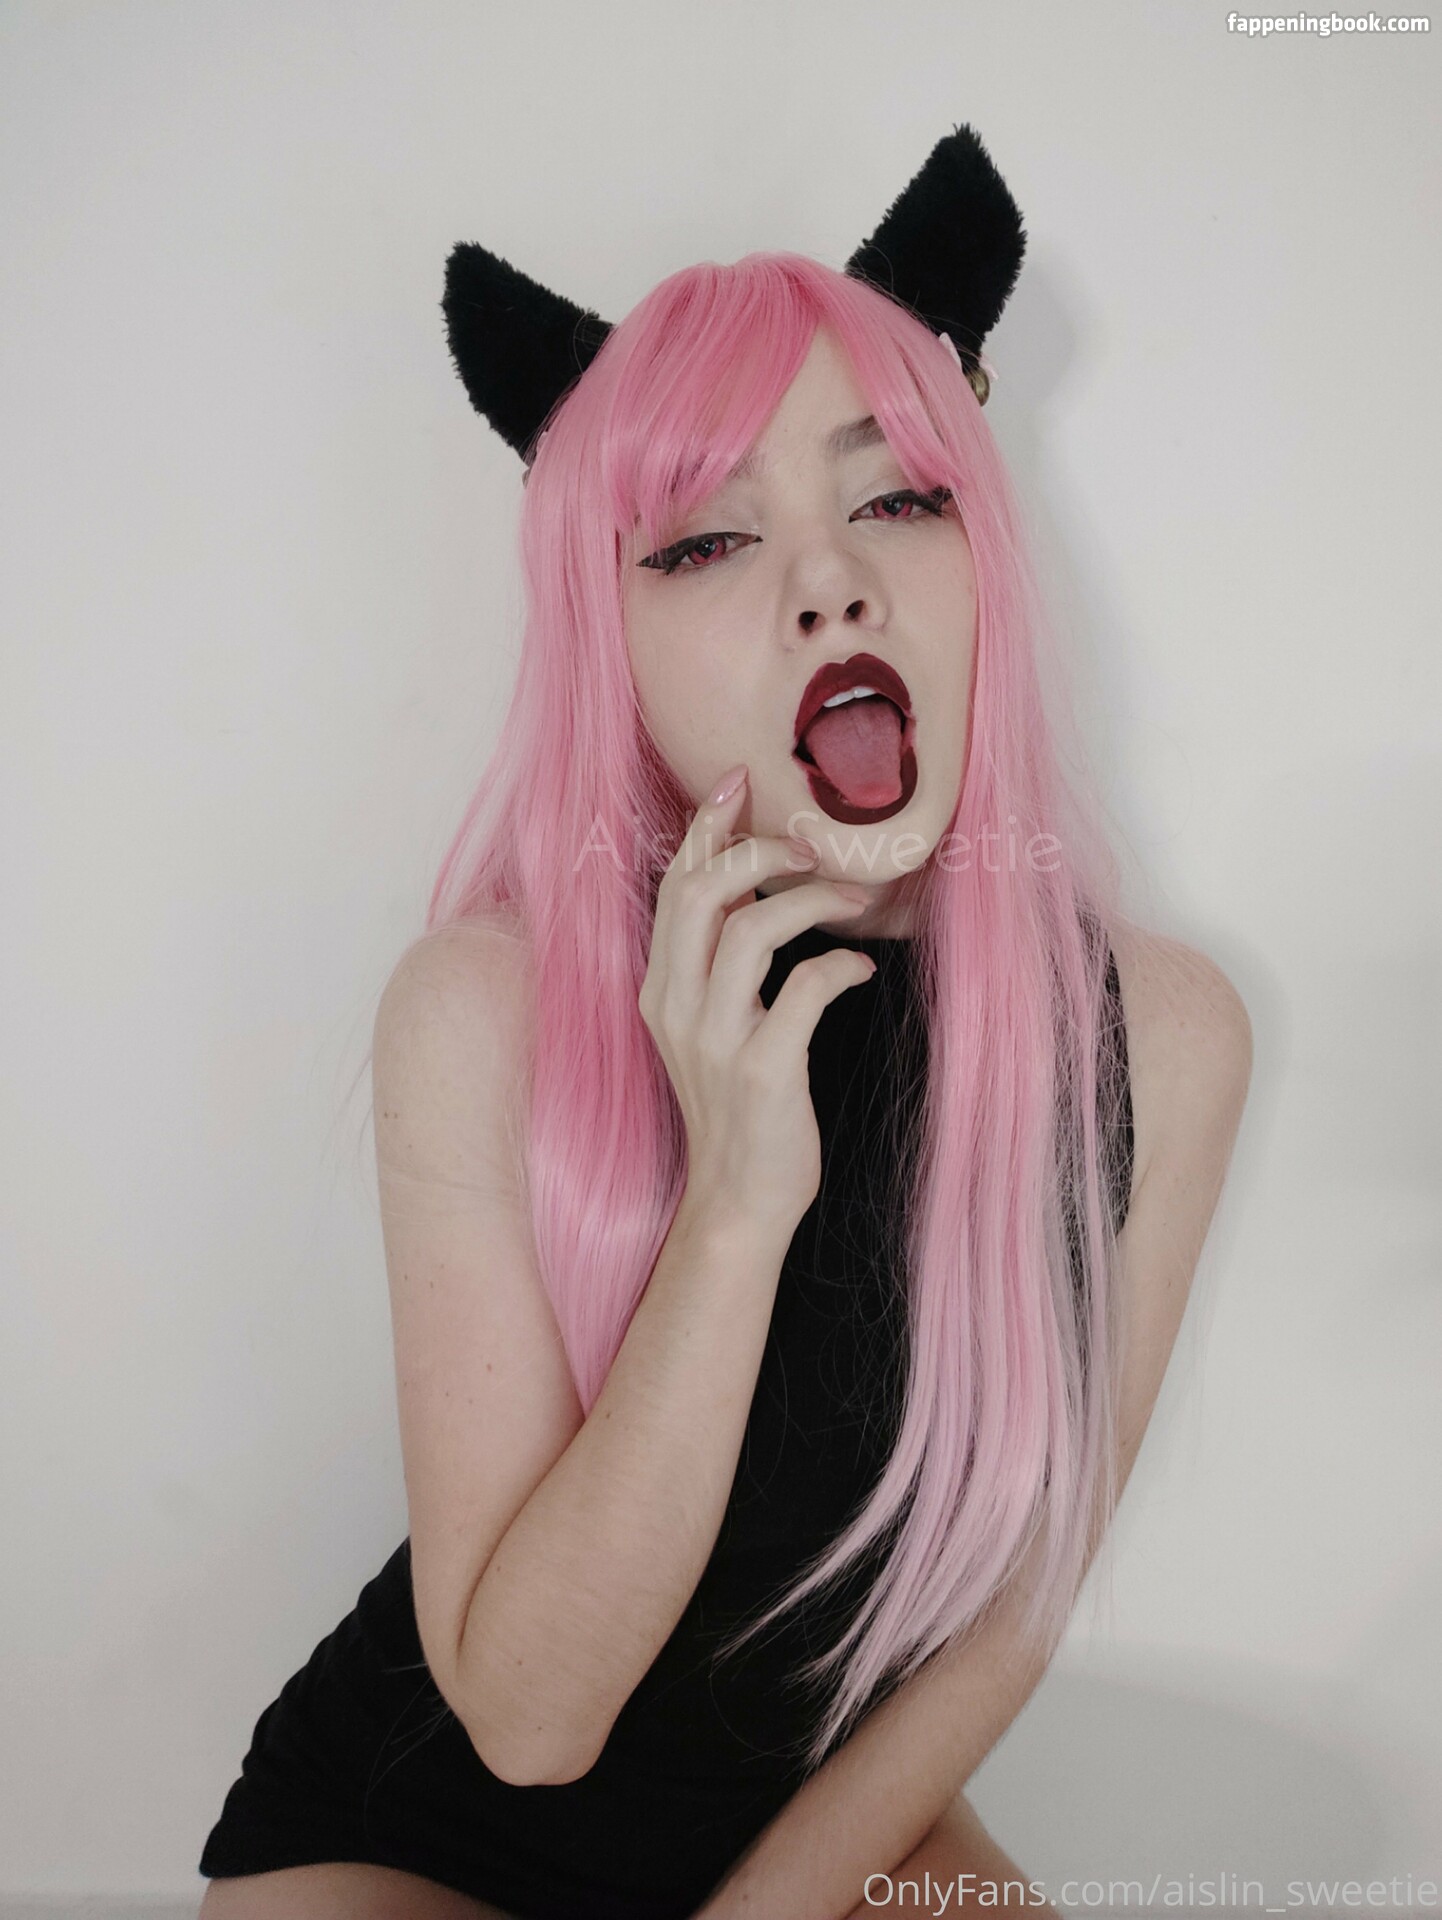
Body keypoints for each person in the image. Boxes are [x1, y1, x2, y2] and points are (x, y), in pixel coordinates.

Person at [196, 126, 1252, 1920]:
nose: (828, 583)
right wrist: (737, 1201)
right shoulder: (482, 1009)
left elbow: (1007, 1614)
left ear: (980, 555)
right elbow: (527, 1720)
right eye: (704, 539)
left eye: (895, 499)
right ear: (608, 640)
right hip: (419, 1830)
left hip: (817, 1825)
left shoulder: (1159, 1037)